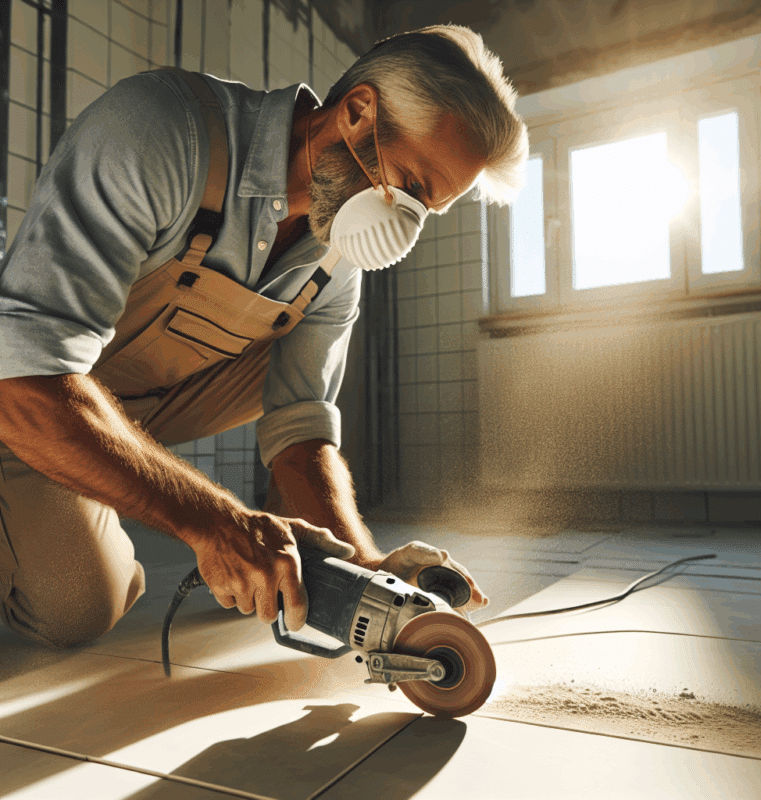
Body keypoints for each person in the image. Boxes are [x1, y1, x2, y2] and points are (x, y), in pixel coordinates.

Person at [0, 24, 528, 647]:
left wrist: (366, 570)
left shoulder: (335, 262)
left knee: (294, 381)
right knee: (80, 605)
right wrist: (217, 522)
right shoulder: (163, 131)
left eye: (424, 210)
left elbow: (301, 432)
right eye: (410, 186)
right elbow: (25, 373)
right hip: (29, 394)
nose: (403, 228)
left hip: (123, 410)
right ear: (358, 112)